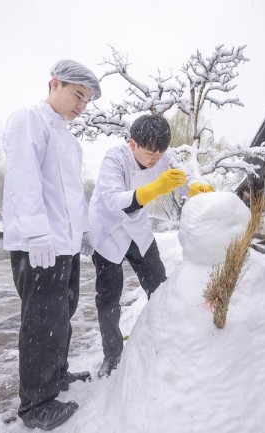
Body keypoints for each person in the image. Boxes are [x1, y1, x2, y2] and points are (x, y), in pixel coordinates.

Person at [2, 59, 101, 431]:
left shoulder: (70, 140)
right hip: (40, 244)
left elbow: (73, 195)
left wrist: (85, 232)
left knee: (62, 314)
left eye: (87, 101)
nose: (81, 105)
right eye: (78, 95)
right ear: (55, 84)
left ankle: (56, 375)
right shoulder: (29, 120)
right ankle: (36, 404)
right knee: (41, 320)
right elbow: (23, 178)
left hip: (66, 244)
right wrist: (36, 232)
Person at [88, 113, 214, 379]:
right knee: (109, 298)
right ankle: (112, 356)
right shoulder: (114, 159)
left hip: (138, 232)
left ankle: (165, 340)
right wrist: (156, 188)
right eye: (149, 154)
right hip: (108, 233)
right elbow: (113, 200)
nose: (155, 159)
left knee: (159, 287)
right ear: (132, 144)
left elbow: (181, 178)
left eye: (160, 154)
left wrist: (195, 187)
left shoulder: (162, 156)